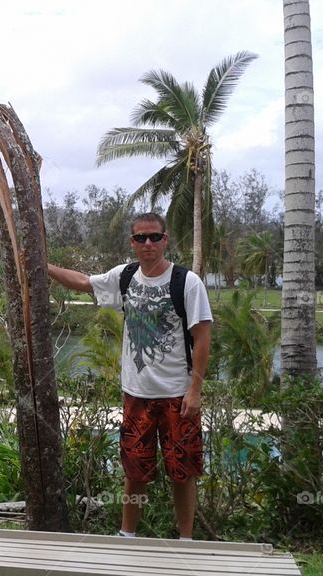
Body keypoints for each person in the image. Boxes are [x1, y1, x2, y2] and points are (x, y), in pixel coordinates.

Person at [47, 212, 212, 540]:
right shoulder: (124, 277)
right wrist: (43, 265)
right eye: (141, 238)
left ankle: (186, 540)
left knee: (183, 471)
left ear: (165, 240)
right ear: (132, 243)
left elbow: (203, 335)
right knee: (134, 469)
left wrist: (195, 390)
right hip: (136, 395)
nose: (148, 243)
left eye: (154, 237)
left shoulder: (186, 282)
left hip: (178, 394)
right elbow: (83, 282)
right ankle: (127, 536)